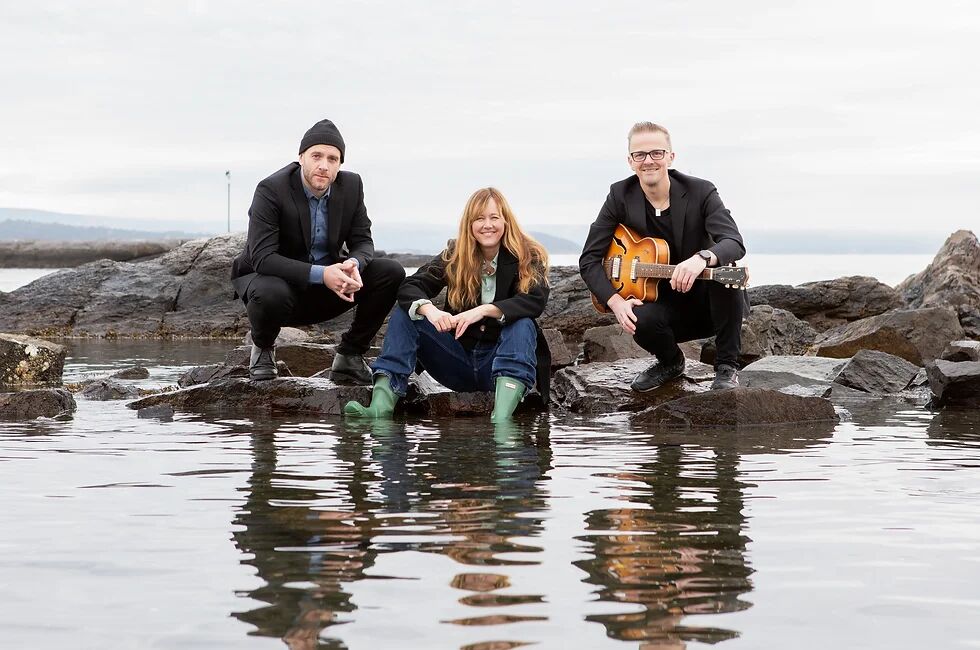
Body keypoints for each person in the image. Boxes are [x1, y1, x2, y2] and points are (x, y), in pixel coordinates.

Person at [344, 187, 551, 422]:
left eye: (494, 217)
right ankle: (380, 408)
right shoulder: (455, 253)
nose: (487, 225)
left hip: (499, 367)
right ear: (469, 224)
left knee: (523, 323)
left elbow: (535, 300)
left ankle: (502, 417)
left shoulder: (528, 254)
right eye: (479, 218)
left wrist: (482, 310)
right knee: (407, 314)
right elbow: (410, 286)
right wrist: (430, 310)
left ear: (506, 221)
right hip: (456, 363)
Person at [230, 119, 405, 382]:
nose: (324, 165)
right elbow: (262, 258)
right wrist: (322, 274)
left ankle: (350, 355)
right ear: (301, 157)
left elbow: (363, 241)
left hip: (327, 291)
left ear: (340, 164)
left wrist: (354, 263)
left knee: (390, 272)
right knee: (270, 292)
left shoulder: (352, 186)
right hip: (278, 287)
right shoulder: (271, 190)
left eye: (333, 159)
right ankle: (263, 349)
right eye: (317, 156)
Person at [579, 122, 746, 391]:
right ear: (630, 161)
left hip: (709, 307)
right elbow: (589, 260)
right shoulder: (619, 195)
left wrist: (702, 258)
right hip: (661, 304)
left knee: (725, 272)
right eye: (640, 155)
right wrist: (616, 301)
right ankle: (670, 362)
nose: (649, 161)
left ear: (670, 156)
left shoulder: (701, 192)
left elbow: (733, 242)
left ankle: (727, 367)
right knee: (638, 317)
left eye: (657, 153)